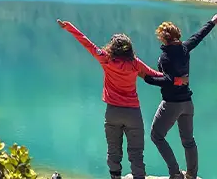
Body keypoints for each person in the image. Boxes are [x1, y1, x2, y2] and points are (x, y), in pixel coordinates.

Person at [58, 20, 167, 179]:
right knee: (136, 152)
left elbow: (87, 43)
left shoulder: (106, 59)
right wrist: (176, 79)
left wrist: (69, 27)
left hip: (113, 112)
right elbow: (155, 75)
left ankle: (115, 177)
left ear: (113, 48)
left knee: (113, 150)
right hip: (133, 113)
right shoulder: (134, 63)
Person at [143, 13, 217, 179]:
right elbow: (197, 37)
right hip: (187, 103)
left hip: (172, 104)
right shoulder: (184, 48)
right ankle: (192, 175)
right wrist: (211, 22)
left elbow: (168, 80)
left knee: (156, 136)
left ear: (163, 38)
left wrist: (147, 79)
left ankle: (175, 173)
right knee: (188, 140)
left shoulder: (166, 57)